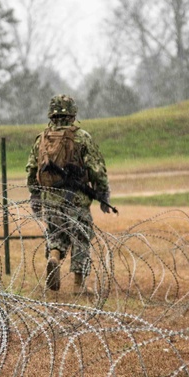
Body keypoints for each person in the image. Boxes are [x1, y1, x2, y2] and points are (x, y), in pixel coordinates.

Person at [26, 94, 112, 295]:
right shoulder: (81, 137)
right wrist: (103, 192)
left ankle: (54, 258)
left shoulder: (42, 139)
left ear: (51, 114)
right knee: (80, 237)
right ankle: (78, 285)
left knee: (57, 234)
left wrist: (35, 195)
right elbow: (96, 168)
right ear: (73, 114)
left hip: (50, 197)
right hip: (76, 199)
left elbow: (31, 169)